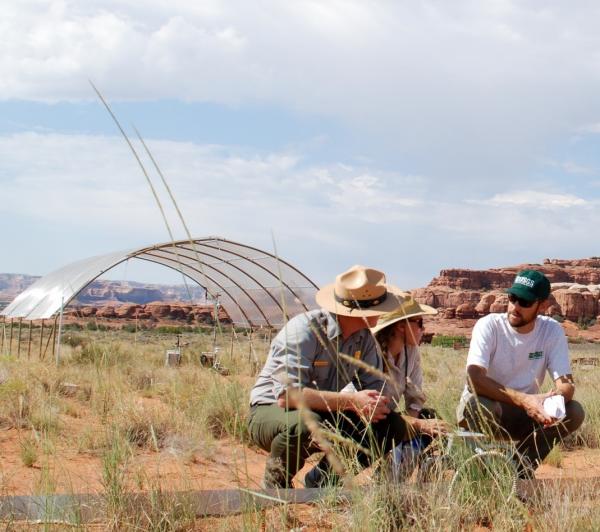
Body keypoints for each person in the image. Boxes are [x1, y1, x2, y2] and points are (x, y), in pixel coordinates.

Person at [248, 265, 411, 489]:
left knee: (391, 424)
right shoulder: (304, 330)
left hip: (325, 413)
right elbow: (287, 397)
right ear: (363, 310)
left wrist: (376, 405)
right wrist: (354, 402)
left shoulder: (365, 340)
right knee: (305, 424)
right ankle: (276, 488)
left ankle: (324, 482)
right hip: (271, 411)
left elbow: (376, 390)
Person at [456, 269, 585, 478]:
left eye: (524, 302)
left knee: (574, 411)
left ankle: (515, 472)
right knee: (479, 404)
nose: (515, 307)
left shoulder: (551, 331)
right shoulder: (489, 325)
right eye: (512, 298)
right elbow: (474, 379)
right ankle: (480, 472)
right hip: (490, 408)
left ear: (542, 306)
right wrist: (526, 400)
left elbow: (566, 384)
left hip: (527, 414)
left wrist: (549, 400)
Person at [371, 297, 451, 479]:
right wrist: (417, 425)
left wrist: (411, 429)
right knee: (422, 424)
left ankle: (394, 473)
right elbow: (372, 406)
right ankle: (320, 479)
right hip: (368, 418)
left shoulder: (411, 351)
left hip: (389, 419)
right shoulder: (373, 352)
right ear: (401, 326)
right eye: (419, 323)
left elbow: (415, 396)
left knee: (430, 418)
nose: (423, 329)